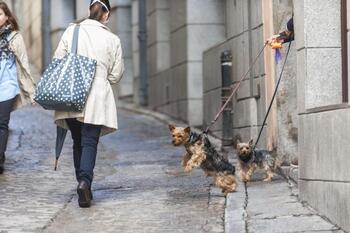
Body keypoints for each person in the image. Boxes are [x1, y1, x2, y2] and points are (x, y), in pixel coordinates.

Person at [53, 0, 124, 208]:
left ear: (89, 10)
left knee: (77, 140)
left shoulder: (71, 31)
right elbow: (116, 74)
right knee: (89, 141)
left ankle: (82, 184)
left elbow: (58, 59)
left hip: (72, 93)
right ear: (107, 15)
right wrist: (101, 79)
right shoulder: (112, 39)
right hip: (96, 96)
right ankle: (85, 182)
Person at [0, 1, 36, 174]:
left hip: (7, 87)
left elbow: (24, 65)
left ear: (7, 17)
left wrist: (31, 91)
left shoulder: (14, 37)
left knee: (2, 124)